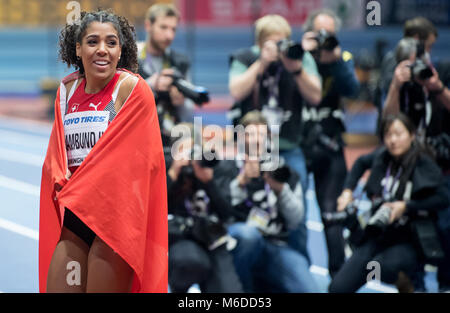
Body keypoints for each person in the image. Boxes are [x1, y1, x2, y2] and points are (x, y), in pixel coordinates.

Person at [39, 10, 167, 293]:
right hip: (75, 221)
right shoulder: (67, 91)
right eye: (93, 41)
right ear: (78, 48)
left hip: (114, 225)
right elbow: (56, 155)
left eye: (111, 43)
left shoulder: (131, 90)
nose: (102, 50)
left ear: (121, 50)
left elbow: (146, 161)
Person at [329, 113, 449, 293]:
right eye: (388, 135)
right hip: (378, 234)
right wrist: (347, 192)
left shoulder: (423, 163)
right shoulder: (382, 157)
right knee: (338, 288)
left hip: (409, 239)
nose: (393, 140)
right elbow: (360, 162)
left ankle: (412, 282)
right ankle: (396, 278)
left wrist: (406, 207)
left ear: (411, 135)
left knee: (383, 267)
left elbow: (444, 197)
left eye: (398, 134)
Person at [226, 111, 320, 293]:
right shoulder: (227, 168)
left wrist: (281, 189)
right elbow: (221, 211)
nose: (256, 140)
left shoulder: (284, 171)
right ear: (242, 137)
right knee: (247, 236)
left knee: (309, 289)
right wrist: (241, 182)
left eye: (261, 135)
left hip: (276, 245)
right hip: (240, 244)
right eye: (251, 134)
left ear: (269, 138)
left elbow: (295, 220)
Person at [383, 36, 450, 292]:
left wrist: (436, 86)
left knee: (446, 227)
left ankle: (446, 283)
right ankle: (416, 286)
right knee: (413, 231)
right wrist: (395, 85)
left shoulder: (440, 73)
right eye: (407, 65)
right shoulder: (397, 82)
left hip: (440, 164)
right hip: (407, 167)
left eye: (417, 63)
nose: (414, 70)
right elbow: (388, 120)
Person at [227, 14, 322, 193]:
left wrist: (297, 70)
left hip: (288, 143)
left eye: (282, 42)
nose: (279, 48)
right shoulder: (245, 58)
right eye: (273, 43)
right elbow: (236, 92)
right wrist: (261, 63)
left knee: (297, 187)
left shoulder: (299, 58)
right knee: (247, 192)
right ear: (260, 43)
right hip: (252, 147)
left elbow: (316, 97)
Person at [300, 8, 360, 277]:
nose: (325, 39)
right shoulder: (296, 55)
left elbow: (353, 90)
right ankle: (297, 270)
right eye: (319, 33)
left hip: (330, 142)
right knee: (294, 209)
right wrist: (303, 53)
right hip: (299, 142)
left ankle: (339, 276)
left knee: (332, 211)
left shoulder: (342, 56)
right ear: (308, 32)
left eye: (330, 34)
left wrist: (334, 60)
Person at [166, 130, 242, 293]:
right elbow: (156, 205)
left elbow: (227, 213)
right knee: (191, 262)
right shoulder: (170, 170)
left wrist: (209, 183)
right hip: (182, 236)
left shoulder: (215, 169)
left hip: (213, 237)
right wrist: (173, 173)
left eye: (194, 150)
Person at [137, 3, 193, 147]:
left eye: (173, 29)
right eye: (163, 27)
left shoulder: (180, 62)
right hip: (138, 133)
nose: (169, 35)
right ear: (148, 25)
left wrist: (180, 101)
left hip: (169, 137)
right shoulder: (130, 57)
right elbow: (118, 98)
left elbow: (187, 112)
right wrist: (151, 85)